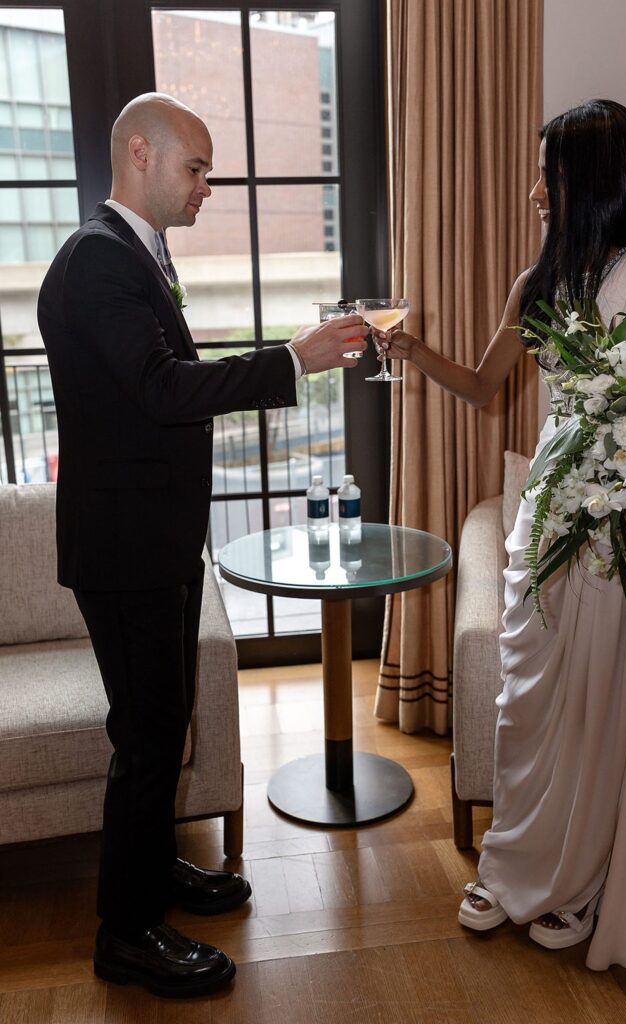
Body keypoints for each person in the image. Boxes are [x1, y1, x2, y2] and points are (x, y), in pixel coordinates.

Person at [37, 92, 366, 999]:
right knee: (145, 740)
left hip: (154, 539)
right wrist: (292, 359)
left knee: (161, 726)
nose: (206, 186)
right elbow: (160, 389)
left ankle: (152, 877)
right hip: (124, 547)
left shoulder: (135, 253)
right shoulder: (97, 260)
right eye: (196, 167)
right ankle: (126, 933)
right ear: (139, 153)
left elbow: (156, 379)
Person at [375, 99, 626, 1022]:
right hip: (551, 520)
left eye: (547, 171)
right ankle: (514, 866)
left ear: (595, 178)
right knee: (531, 697)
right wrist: (409, 348)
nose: (532, 190)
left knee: (604, 706)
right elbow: (482, 387)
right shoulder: (536, 282)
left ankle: (585, 883)